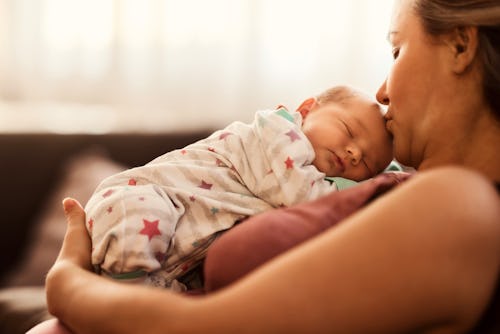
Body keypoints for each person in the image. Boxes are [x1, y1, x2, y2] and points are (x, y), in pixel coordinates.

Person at [31, 0, 500, 333]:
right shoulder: (413, 193)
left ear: (460, 45)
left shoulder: (460, 206)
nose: (380, 91)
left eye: (397, 50)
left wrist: (65, 282)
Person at [84, 85, 393, 289]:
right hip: (136, 197)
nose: (354, 152)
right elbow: (305, 197)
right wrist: (368, 190)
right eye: (348, 130)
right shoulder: (278, 134)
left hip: (173, 251)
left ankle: (127, 293)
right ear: (307, 109)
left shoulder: (307, 175)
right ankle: (121, 291)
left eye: (367, 162)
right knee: (139, 221)